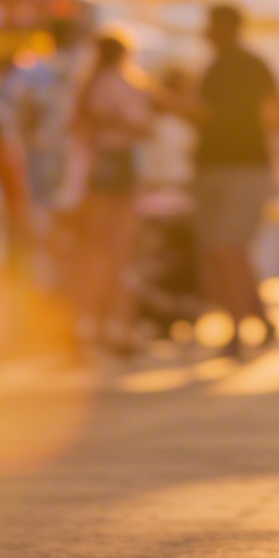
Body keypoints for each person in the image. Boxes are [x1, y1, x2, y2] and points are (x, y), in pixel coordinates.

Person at [189, 3, 279, 352]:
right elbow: (276, 113)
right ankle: (258, 320)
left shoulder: (233, 66)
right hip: (236, 166)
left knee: (225, 249)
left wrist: (164, 102)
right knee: (225, 250)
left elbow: (272, 113)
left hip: (239, 167)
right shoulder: (241, 65)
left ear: (224, 27)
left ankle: (238, 327)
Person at [73, 33, 153, 356]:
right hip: (115, 165)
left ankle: (100, 325)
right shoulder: (119, 84)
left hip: (111, 166)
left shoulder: (97, 83)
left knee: (104, 251)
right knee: (114, 251)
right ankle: (107, 325)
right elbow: (136, 125)